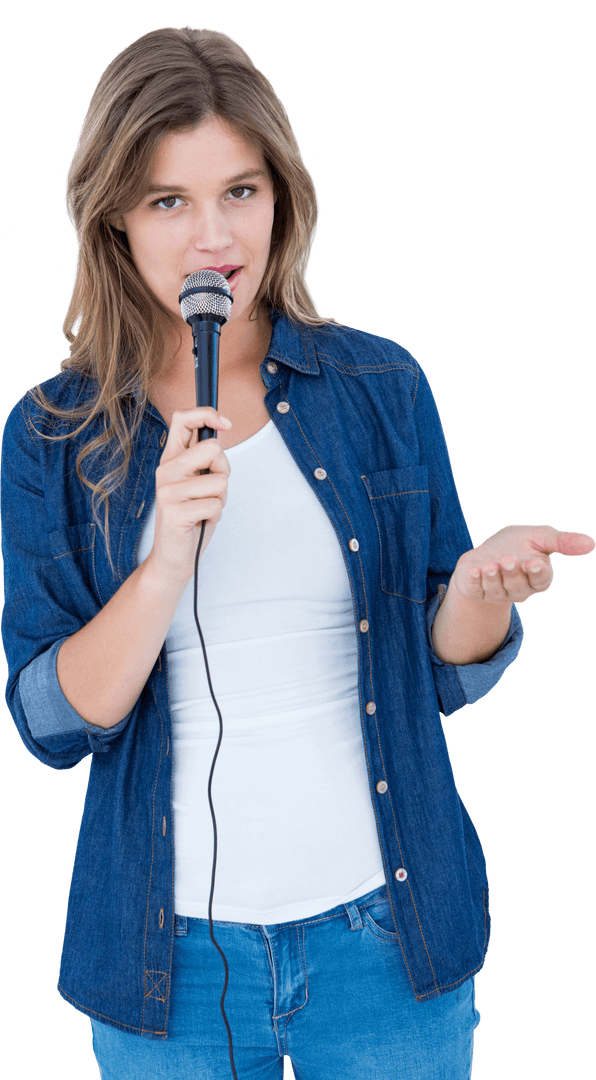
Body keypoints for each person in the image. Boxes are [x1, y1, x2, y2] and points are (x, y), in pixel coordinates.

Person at [0, 25, 593, 1080]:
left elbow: (440, 667)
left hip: (387, 947)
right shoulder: (52, 436)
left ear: (282, 197)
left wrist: (479, 595)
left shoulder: (380, 387)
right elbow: (50, 721)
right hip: (167, 971)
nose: (214, 236)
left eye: (241, 191)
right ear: (114, 218)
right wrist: (165, 564)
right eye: (168, 201)